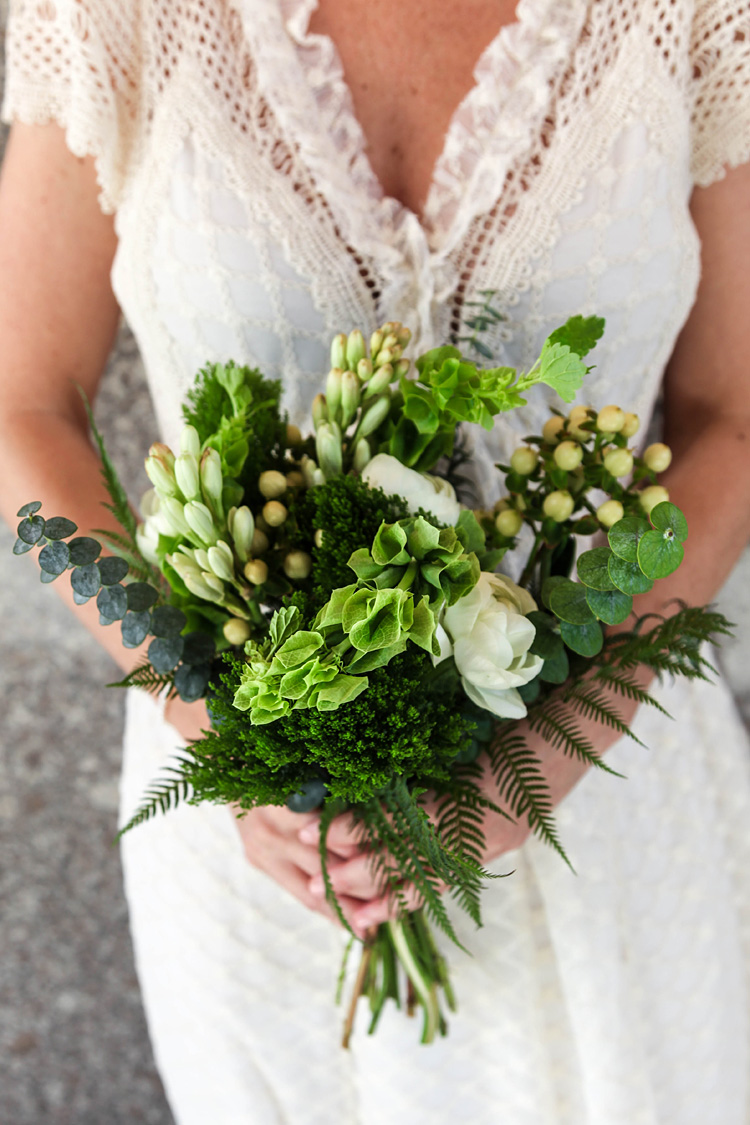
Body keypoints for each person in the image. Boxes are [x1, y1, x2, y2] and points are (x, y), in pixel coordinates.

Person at [1, 0, 750, 1121]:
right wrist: (237, 743)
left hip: (611, 812)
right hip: (267, 849)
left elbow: (732, 416)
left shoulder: (692, 19)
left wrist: (553, 746)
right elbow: (19, 408)